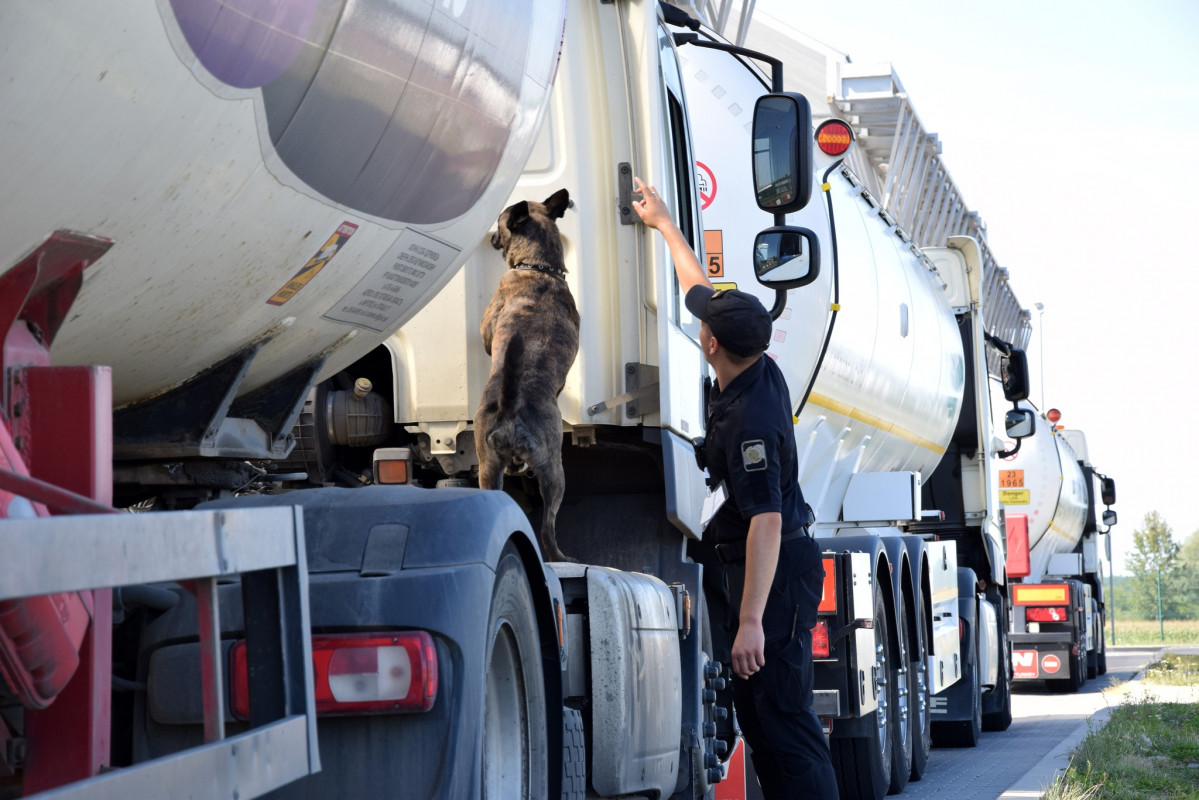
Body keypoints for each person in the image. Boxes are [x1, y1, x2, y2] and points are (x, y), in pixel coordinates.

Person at [632, 176, 838, 799]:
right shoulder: (755, 364)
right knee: (763, 721)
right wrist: (665, 225)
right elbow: (700, 291)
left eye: (705, 327)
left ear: (711, 344)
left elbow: (766, 521)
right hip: (769, 570)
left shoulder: (751, 423)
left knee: (784, 724)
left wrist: (751, 622)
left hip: (774, 577)